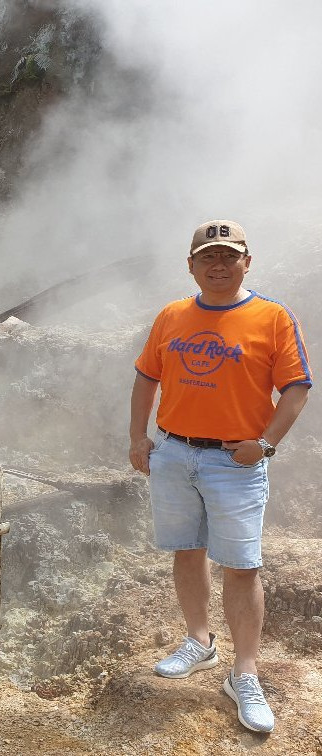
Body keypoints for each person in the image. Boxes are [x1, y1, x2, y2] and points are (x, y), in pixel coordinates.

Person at [128, 219, 312, 734]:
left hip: (236, 462)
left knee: (241, 564)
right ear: (191, 265)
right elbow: (146, 377)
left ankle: (244, 672)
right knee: (186, 550)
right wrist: (137, 438)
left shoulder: (272, 317)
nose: (219, 266)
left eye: (229, 257)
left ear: (247, 262)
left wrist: (267, 444)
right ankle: (199, 642)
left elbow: (297, 387)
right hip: (173, 453)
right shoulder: (172, 316)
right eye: (208, 257)